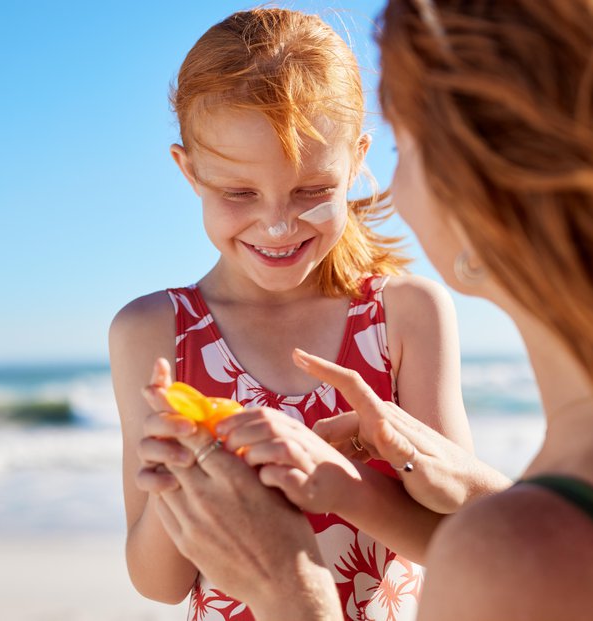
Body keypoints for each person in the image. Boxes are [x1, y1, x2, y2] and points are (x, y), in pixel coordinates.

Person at [138, 0, 593, 620]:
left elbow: (520, 553)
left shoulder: (516, 555)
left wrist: (291, 595)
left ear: (478, 180)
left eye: (410, 142)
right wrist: (479, 496)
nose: (391, 187)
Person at [109, 8, 478, 621]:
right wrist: (175, 478)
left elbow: (459, 541)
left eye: (311, 191)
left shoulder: (405, 313)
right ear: (189, 170)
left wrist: (332, 479)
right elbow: (160, 584)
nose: (279, 225)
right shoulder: (154, 332)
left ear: (357, 160)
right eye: (239, 193)